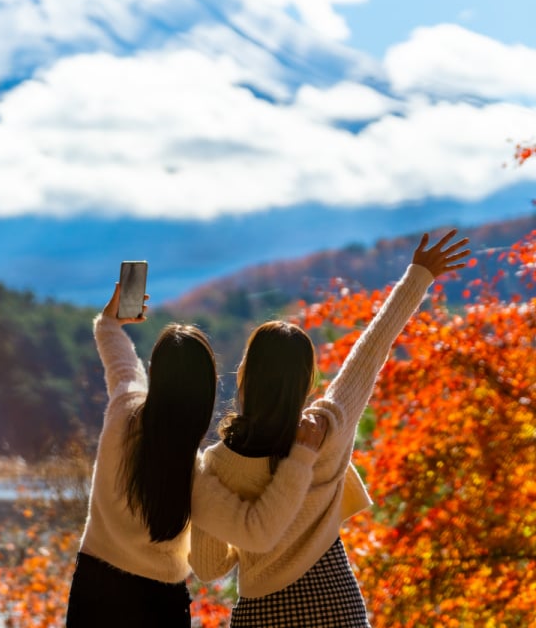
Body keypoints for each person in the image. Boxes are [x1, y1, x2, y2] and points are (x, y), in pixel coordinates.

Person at [190, 229, 471, 627]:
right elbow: (371, 351)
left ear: (246, 375)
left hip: (262, 615)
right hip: (335, 602)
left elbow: (208, 566)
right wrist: (419, 275)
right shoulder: (326, 427)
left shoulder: (217, 464)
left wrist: (245, 530)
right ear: (307, 381)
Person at [66, 279, 330, 628]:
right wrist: (301, 459)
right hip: (158, 607)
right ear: (205, 395)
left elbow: (118, 357)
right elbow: (259, 532)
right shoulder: (194, 476)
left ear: (155, 375)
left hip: (93, 591)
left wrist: (110, 320)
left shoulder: (124, 408)